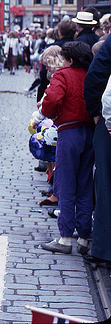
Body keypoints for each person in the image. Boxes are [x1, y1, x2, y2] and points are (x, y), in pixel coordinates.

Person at [38, 42, 95, 254]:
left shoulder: (63, 75)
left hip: (69, 131)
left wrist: (51, 114)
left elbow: (51, 99)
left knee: (65, 183)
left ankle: (65, 237)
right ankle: (84, 237)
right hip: (89, 131)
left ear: (69, 59)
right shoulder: (90, 73)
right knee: (85, 183)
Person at [83, 35, 111, 264]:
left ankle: (104, 248)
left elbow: (95, 78)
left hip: (108, 121)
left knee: (105, 184)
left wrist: (96, 113)